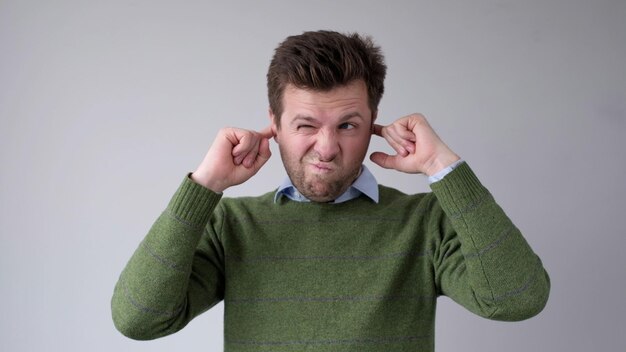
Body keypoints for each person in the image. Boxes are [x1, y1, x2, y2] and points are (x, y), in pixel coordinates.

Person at [111, 30, 550, 351]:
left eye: (347, 126)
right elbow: (139, 320)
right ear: (275, 124)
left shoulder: (424, 222)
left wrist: (443, 167)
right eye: (305, 125)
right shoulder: (233, 225)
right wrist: (204, 186)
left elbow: (517, 300)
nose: (327, 148)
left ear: (373, 121)